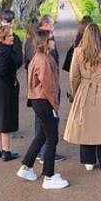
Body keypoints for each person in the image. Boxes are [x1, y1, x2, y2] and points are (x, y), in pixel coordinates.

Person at [63, 23, 101, 171]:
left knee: (86, 125)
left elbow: (73, 76)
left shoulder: (78, 51)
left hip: (84, 89)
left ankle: (88, 160)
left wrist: (76, 91)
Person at [17, 30, 69, 189]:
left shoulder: (37, 58)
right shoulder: (44, 60)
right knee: (52, 137)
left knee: (41, 135)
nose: (54, 42)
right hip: (44, 101)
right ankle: (49, 176)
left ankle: (26, 166)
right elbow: (49, 86)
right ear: (46, 42)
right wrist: (56, 106)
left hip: (37, 100)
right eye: (52, 40)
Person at [24, 14, 65, 162]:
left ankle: (30, 162)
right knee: (50, 131)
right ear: (46, 24)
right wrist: (56, 105)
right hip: (44, 94)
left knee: (42, 128)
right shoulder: (44, 57)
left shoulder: (30, 41)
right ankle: (47, 158)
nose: (53, 42)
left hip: (36, 92)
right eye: (52, 24)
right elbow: (48, 82)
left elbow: (26, 64)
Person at [0, 26, 20, 161]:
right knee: (6, 118)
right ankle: (6, 151)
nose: (13, 37)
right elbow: (2, 71)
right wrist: (12, 81)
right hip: (4, 89)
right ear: (2, 38)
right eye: (10, 36)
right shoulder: (5, 52)